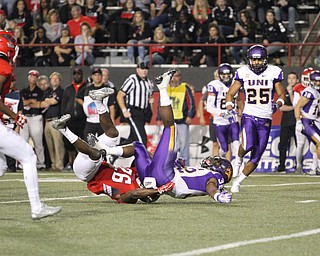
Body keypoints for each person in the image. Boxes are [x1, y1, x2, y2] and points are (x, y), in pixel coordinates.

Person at [77, 69, 233, 203]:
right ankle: (105, 150)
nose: (212, 160)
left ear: (220, 169)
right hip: (153, 176)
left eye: (216, 161)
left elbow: (211, 186)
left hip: (164, 176)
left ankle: (163, 87)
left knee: (170, 128)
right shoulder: (203, 172)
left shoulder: (214, 177)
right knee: (138, 146)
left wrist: (217, 195)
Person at [52, 89, 172, 204]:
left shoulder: (131, 193)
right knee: (113, 134)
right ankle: (98, 101)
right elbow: (138, 156)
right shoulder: (138, 174)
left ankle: (63, 129)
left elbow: (130, 195)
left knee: (97, 154)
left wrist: (157, 190)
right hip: (96, 162)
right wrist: (152, 162)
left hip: (87, 173)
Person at [0, 29, 61, 220]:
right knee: (28, 156)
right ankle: (36, 207)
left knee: (1, 166)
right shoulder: (3, 67)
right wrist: (13, 115)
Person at [225, 44, 286, 193]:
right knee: (248, 145)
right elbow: (231, 93)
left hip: (265, 118)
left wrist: (277, 104)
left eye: (259, 60)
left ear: (265, 60)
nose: (256, 63)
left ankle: (238, 182)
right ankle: (238, 159)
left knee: (257, 156)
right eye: (254, 60)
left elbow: (282, 95)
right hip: (249, 115)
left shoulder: (274, 72)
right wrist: (228, 103)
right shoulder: (243, 72)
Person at [206, 63, 243, 175]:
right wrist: (221, 114)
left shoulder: (235, 84)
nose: (226, 77)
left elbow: (239, 100)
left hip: (232, 119)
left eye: (228, 74)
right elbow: (209, 107)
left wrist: (242, 111)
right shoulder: (214, 85)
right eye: (224, 75)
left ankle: (238, 166)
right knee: (224, 149)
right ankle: (220, 163)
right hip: (220, 121)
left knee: (236, 142)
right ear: (220, 75)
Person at [156, 68, 195, 165]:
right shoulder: (165, 88)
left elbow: (191, 102)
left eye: (176, 76)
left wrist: (190, 115)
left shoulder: (184, 87)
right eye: (173, 76)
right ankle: (169, 165)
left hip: (182, 120)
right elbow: (160, 103)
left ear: (180, 77)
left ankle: (185, 166)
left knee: (183, 145)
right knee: (171, 145)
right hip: (169, 121)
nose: (174, 78)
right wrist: (159, 117)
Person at [29, 72, 65, 172]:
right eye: (53, 79)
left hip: (56, 120)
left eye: (56, 79)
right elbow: (44, 103)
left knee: (58, 144)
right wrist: (47, 100)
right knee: (50, 145)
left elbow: (53, 101)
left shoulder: (61, 91)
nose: (54, 80)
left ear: (60, 80)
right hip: (47, 121)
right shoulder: (48, 92)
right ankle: (54, 164)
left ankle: (59, 165)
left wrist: (47, 101)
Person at [116, 61, 154, 146]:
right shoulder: (132, 80)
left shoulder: (149, 83)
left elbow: (149, 98)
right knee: (142, 140)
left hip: (143, 113)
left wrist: (149, 111)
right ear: (137, 70)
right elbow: (120, 95)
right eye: (142, 69)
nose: (144, 71)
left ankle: (113, 154)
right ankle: (142, 159)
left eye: (146, 69)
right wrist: (124, 110)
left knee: (132, 139)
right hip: (133, 111)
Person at [18, 69, 46, 170]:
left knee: (38, 142)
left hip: (35, 117)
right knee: (24, 142)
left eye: (35, 77)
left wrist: (28, 102)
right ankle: (23, 162)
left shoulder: (40, 92)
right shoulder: (23, 91)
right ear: (28, 77)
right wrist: (31, 101)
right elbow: (22, 103)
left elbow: (39, 105)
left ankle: (40, 163)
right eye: (31, 76)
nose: (33, 78)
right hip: (25, 117)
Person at [61, 67, 87, 171]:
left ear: (82, 75)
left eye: (79, 73)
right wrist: (64, 116)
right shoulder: (68, 89)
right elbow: (63, 104)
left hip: (82, 119)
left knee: (81, 143)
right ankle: (70, 162)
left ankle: (79, 164)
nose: (77, 75)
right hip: (70, 120)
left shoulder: (86, 88)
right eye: (75, 73)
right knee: (69, 143)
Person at [294, 70, 320, 175]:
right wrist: (298, 121)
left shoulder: (317, 92)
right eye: (317, 81)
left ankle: (314, 168)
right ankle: (311, 168)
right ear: (312, 81)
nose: (318, 83)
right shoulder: (309, 92)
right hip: (307, 121)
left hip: (314, 121)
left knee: (317, 145)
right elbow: (298, 106)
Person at [83, 68, 115, 142]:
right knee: (88, 144)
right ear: (92, 76)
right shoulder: (87, 89)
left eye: (99, 75)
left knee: (104, 144)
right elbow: (78, 97)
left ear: (101, 76)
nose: (97, 77)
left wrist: (112, 121)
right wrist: (85, 107)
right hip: (90, 121)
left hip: (103, 121)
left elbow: (111, 106)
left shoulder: (107, 89)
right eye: (95, 75)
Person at [275, 71, 298, 173]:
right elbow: (281, 108)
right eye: (289, 78)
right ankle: (281, 166)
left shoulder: (299, 91)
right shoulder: (283, 92)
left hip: (297, 121)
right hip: (285, 122)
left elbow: (296, 103)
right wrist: (294, 107)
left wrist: (291, 93)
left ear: (297, 80)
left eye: (293, 78)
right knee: (283, 145)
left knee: (299, 144)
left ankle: (299, 165)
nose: (291, 80)